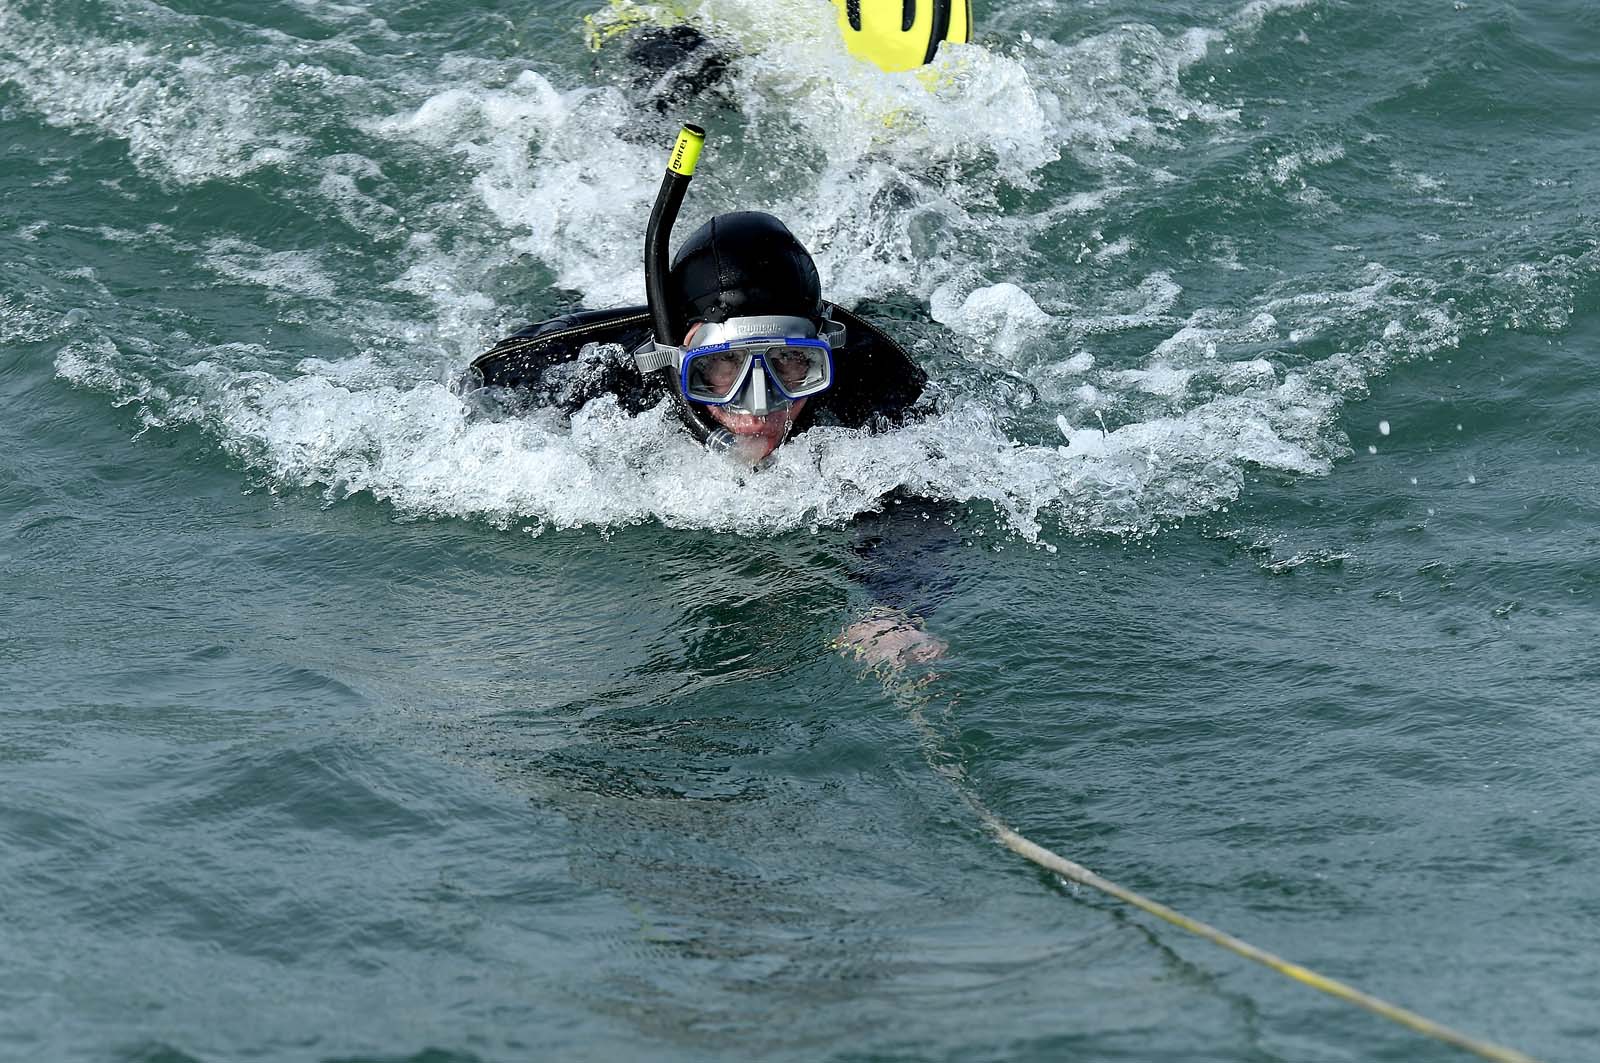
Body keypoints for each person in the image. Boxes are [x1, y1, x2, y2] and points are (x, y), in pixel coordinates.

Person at [471, 211, 928, 464]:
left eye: (789, 360)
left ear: (824, 350)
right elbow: (479, 393)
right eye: (723, 363)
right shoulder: (603, 376)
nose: (759, 402)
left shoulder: (876, 382)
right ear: (679, 352)